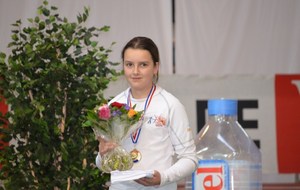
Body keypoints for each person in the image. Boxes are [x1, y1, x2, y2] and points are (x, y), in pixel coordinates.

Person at [96, 36, 197, 190]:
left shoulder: (170, 105)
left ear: (155, 67)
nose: (135, 71)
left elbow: (190, 159)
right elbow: (102, 164)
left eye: (143, 65)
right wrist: (102, 154)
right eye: (129, 64)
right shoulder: (114, 105)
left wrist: (163, 178)